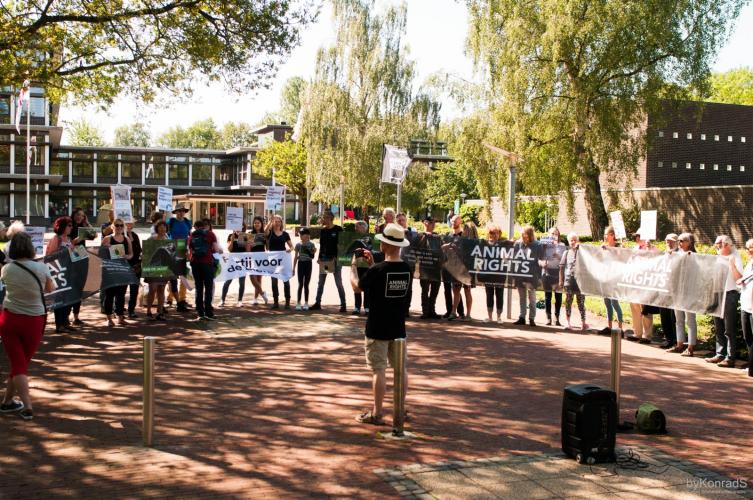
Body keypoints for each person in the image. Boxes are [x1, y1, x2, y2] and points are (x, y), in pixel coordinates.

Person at [350, 223, 412, 425]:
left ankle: (377, 413)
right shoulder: (406, 269)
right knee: (400, 370)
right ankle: (400, 410)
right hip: (398, 326)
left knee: (379, 369)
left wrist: (353, 267)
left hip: (377, 326)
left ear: (385, 245)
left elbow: (358, 287)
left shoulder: (378, 269)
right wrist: (372, 265)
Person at [0, 232, 56, 420]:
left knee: (18, 365)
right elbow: (50, 289)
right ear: (31, 248)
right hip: (33, 320)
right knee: (21, 364)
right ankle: (27, 405)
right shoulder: (41, 267)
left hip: (9, 319)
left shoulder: (7, 268)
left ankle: (7, 402)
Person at [706, 235, 743, 368]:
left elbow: (739, 278)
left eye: (719, 244)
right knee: (719, 326)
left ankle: (730, 357)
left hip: (729, 295)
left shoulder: (735, 257)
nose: (717, 246)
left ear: (727, 245)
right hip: (717, 294)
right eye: (716, 244)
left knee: (729, 328)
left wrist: (732, 265)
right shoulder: (716, 258)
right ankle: (720, 354)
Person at [45, 216, 80, 333]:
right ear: (62, 227)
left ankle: (65, 322)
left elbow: (74, 254)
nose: (71, 227)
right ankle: (59, 325)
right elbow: (49, 256)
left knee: (68, 298)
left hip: (70, 273)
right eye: (69, 225)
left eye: (71, 225)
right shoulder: (56, 239)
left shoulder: (69, 239)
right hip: (58, 273)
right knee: (59, 299)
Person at [667, 233, 698, 357]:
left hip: (689, 291)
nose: (679, 242)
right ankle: (680, 344)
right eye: (678, 240)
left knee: (690, 319)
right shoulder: (676, 254)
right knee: (678, 319)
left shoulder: (694, 256)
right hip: (677, 291)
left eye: (682, 240)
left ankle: (690, 347)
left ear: (689, 242)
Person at [310, 211, 347, 312]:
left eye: (325, 218)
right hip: (325, 260)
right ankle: (318, 303)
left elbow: (342, 245)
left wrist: (337, 257)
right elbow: (322, 246)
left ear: (330, 218)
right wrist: (319, 257)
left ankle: (343, 304)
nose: (323, 220)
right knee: (321, 282)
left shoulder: (338, 229)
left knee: (338, 282)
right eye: (323, 217)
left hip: (335, 260)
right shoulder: (323, 231)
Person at [102, 219, 133, 327]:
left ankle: (120, 317)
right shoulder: (107, 239)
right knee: (109, 295)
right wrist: (107, 249)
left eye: (121, 225)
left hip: (122, 271)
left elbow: (131, 254)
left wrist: (126, 256)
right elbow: (101, 254)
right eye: (117, 225)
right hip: (110, 271)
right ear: (113, 226)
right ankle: (109, 319)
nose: (119, 227)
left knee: (121, 294)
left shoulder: (126, 239)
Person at [188, 219, 221, 320]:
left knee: (199, 287)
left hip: (195, 264)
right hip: (207, 263)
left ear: (195, 227)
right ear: (204, 226)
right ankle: (208, 312)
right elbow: (216, 249)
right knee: (208, 287)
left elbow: (189, 251)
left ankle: (200, 312)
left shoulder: (191, 236)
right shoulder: (210, 234)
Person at [627, 232, 654, 344]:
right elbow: (629, 261)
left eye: (640, 236)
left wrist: (649, 250)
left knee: (645, 308)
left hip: (646, 282)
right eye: (637, 236)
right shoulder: (634, 248)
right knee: (634, 305)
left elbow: (656, 260)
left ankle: (647, 335)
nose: (637, 238)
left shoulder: (652, 249)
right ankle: (637, 332)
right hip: (635, 281)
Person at [448, 221, 477, 321]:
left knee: (466, 291)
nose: (465, 231)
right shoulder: (460, 239)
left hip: (468, 269)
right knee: (457, 290)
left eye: (467, 229)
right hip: (458, 268)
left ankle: (468, 314)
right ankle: (453, 312)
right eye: (465, 229)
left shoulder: (476, 242)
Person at [166, 205, 193, 312]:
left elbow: (189, 237)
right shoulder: (171, 222)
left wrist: (188, 250)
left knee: (183, 275)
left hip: (183, 250)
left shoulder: (188, 222)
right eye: (179, 211)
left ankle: (182, 298)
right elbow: (166, 235)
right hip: (172, 249)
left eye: (182, 211)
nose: (181, 213)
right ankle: (170, 297)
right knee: (172, 275)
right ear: (175, 212)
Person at [560, 232, 588, 331]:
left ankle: (583, 322)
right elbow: (561, 267)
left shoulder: (582, 252)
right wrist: (561, 281)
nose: (573, 242)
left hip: (580, 283)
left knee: (581, 303)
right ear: (568, 241)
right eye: (571, 240)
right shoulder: (566, 253)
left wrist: (580, 248)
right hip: (569, 282)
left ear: (578, 241)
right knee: (568, 302)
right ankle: (568, 322)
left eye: (575, 240)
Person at [514, 225, 541, 326]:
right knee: (522, 297)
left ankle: (532, 318)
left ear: (530, 236)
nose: (524, 239)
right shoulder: (518, 244)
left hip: (532, 275)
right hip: (520, 274)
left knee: (532, 297)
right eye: (522, 236)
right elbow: (513, 256)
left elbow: (540, 258)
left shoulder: (537, 245)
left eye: (525, 237)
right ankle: (522, 317)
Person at [69, 207, 92, 326]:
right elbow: (67, 243)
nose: (80, 217)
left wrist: (87, 223)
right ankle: (66, 317)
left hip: (82, 258)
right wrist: (79, 238)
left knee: (79, 288)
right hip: (71, 259)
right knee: (71, 287)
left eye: (82, 215)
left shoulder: (83, 226)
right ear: (73, 215)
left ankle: (76, 317)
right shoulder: (69, 226)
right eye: (78, 215)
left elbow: (94, 235)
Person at [266, 215, 293, 309]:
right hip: (273, 261)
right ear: (273, 223)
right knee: (274, 281)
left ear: (281, 223)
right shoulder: (270, 233)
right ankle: (276, 302)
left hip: (283, 260)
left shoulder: (285, 234)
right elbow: (265, 232)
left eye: (279, 221)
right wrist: (270, 221)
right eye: (275, 221)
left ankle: (287, 302)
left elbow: (291, 246)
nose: (277, 223)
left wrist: (290, 249)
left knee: (286, 281)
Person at [600, 226, 623, 334]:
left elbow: (620, 259)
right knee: (607, 303)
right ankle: (609, 327)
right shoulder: (603, 247)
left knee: (615, 303)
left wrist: (621, 250)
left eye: (606, 234)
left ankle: (620, 328)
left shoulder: (618, 247)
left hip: (614, 279)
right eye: (604, 234)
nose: (604, 236)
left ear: (612, 235)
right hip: (605, 278)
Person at [145, 221, 169, 321]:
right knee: (152, 289)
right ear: (157, 228)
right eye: (160, 227)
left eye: (164, 227)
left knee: (161, 290)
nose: (162, 229)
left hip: (163, 269)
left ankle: (160, 312)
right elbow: (146, 252)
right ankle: (149, 311)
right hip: (153, 268)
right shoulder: (151, 239)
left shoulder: (168, 240)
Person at [657, 234, 678, 348]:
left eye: (672, 242)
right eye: (667, 242)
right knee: (664, 315)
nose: (669, 244)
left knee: (673, 316)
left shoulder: (679, 254)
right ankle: (668, 338)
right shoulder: (663, 255)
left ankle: (676, 340)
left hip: (674, 291)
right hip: (663, 289)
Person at [220, 224, 249, 307]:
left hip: (242, 262)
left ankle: (240, 301)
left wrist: (245, 241)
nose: (238, 229)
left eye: (240, 227)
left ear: (243, 228)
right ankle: (222, 300)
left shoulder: (246, 236)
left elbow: (248, 250)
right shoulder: (230, 236)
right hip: (232, 262)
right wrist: (232, 240)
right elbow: (229, 249)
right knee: (228, 281)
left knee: (242, 282)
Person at [418, 216, 441, 320]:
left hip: (436, 267)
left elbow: (441, 249)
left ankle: (432, 310)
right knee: (425, 290)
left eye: (434, 223)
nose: (433, 224)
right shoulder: (420, 235)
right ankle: (425, 311)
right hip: (425, 267)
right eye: (431, 222)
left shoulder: (438, 236)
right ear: (425, 223)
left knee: (435, 290)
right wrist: (425, 235)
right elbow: (418, 248)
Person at [442, 215, 464, 319]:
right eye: (452, 221)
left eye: (456, 221)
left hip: (458, 265)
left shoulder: (463, 235)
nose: (454, 222)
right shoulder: (448, 235)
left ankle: (461, 311)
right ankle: (449, 310)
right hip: (447, 265)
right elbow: (442, 248)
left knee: (456, 289)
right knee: (447, 289)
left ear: (460, 221)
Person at [542, 227, 565, 326]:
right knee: (548, 296)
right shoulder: (545, 245)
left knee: (558, 297)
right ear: (548, 235)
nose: (554, 235)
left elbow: (565, 259)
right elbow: (540, 257)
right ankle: (548, 318)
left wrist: (559, 256)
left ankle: (557, 318)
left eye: (556, 234)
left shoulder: (562, 245)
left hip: (558, 273)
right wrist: (543, 263)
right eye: (552, 233)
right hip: (547, 272)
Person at [737, 238, 753, 377]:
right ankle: (751, 366)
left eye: (750, 248)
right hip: (746, 306)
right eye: (747, 248)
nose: (748, 251)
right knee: (748, 338)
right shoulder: (749, 263)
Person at [350, 220, 372, 315]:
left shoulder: (370, 238)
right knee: (356, 285)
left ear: (364, 227)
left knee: (367, 286)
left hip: (366, 265)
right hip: (357, 265)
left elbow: (370, 249)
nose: (355, 229)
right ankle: (357, 307)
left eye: (357, 227)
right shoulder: (354, 238)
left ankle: (367, 307)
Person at [484, 224, 504, 323]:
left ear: (499, 234)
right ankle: (490, 316)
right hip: (488, 274)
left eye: (496, 233)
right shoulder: (485, 244)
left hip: (500, 274)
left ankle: (499, 317)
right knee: (489, 294)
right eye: (491, 233)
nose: (494, 235)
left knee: (499, 294)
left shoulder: (504, 244)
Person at [396, 213, 415, 317]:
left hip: (409, 263)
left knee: (408, 287)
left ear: (406, 220)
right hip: (396, 262)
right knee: (397, 285)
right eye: (399, 221)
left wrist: (408, 233)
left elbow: (415, 244)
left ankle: (406, 309)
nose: (401, 222)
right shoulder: (394, 231)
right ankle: (397, 307)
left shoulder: (412, 231)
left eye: (402, 220)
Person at [248, 216, 269, 305]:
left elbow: (267, 248)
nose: (257, 224)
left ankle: (255, 298)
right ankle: (263, 293)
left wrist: (267, 239)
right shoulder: (250, 234)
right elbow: (247, 249)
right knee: (252, 277)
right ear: (253, 224)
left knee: (259, 278)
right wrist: (250, 245)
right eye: (255, 223)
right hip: (252, 257)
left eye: (258, 223)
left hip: (261, 257)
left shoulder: (263, 234)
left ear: (261, 224)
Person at [294, 228, 316, 310]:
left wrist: (314, 251)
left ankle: (306, 302)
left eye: (301, 234)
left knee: (306, 284)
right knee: (300, 284)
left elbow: (312, 256)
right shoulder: (298, 245)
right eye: (299, 234)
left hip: (308, 264)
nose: (300, 236)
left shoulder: (311, 244)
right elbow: (296, 257)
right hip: (300, 264)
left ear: (306, 235)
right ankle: (298, 302)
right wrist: (293, 268)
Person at [125, 222, 142, 319]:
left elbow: (139, 249)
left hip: (136, 265)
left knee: (134, 289)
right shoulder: (121, 235)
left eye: (131, 223)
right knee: (121, 289)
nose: (129, 225)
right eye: (127, 223)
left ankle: (131, 310)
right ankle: (118, 309)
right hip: (124, 265)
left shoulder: (135, 235)